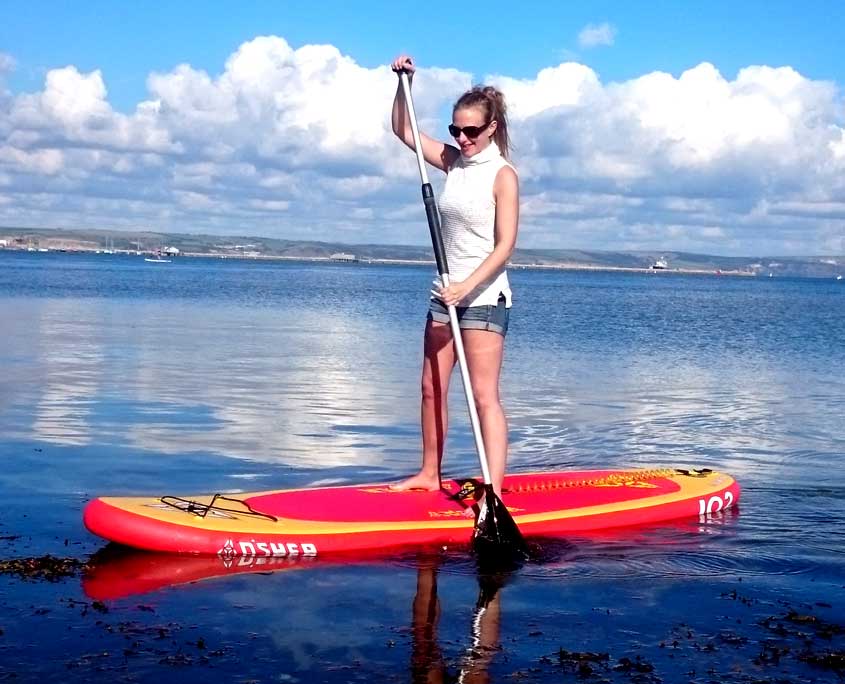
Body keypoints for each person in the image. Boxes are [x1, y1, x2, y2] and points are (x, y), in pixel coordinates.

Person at [389, 55, 519, 499]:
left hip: (482, 297)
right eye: (455, 130)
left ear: (492, 128)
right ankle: (429, 473)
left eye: (470, 132)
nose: (461, 139)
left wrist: (466, 287)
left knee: (484, 397)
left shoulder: (502, 175)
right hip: (443, 295)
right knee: (431, 388)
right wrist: (405, 83)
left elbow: (505, 246)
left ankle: (494, 492)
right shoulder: (452, 162)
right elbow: (403, 131)